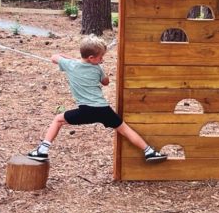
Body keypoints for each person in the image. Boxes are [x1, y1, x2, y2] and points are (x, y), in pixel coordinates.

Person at [26, 35, 168, 164]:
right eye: (101, 57)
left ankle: (43, 150)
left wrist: (72, 60)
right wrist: (101, 72)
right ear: (91, 58)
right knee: (124, 129)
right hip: (103, 109)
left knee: (58, 120)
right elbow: (105, 82)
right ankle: (149, 151)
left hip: (87, 110)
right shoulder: (97, 68)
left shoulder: (71, 65)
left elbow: (54, 57)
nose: (102, 59)